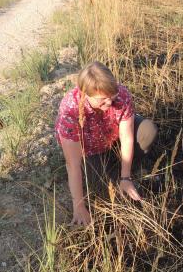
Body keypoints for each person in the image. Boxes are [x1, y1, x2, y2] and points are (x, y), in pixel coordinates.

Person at [54, 61, 158, 225]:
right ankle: (110, 171)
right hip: (89, 151)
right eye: (102, 100)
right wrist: (78, 206)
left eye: (112, 96)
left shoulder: (121, 94)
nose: (109, 103)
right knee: (100, 184)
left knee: (147, 131)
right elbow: (72, 165)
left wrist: (125, 177)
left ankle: (125, 171)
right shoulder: (70, 110)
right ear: (85, 94)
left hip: (113, 139)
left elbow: (127, 137)